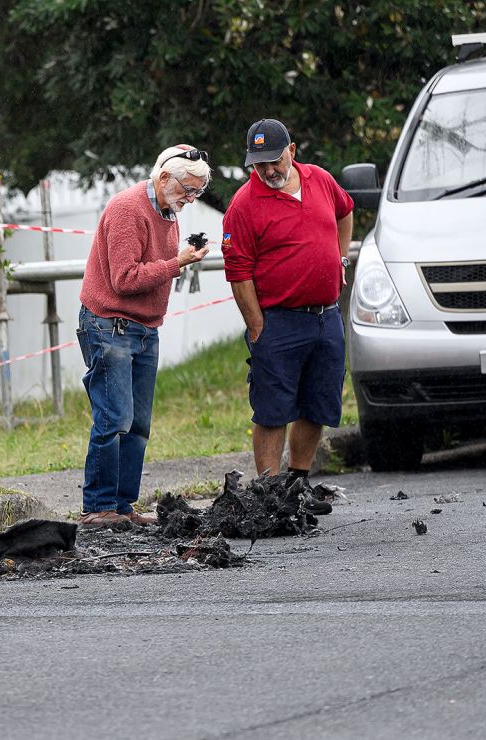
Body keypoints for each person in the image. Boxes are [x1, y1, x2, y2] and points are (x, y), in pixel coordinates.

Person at [221, 119, 354, 514]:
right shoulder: (243, 205)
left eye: (275, 161)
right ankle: (268, 493)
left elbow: (345, 212)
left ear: (292, 151)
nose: (268, 171)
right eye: (259, 164)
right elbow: (238, 272)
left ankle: (298, 482)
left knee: (318, 403)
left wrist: (341, 257)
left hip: (325, 316)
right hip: (277, 320)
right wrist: (256, 323)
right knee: (273, 408)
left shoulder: (320, 180)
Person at [77, 145, 211, 528]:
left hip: (145, 327)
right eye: (188, 188)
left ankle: (122, 506)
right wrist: (177, 263)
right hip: (110, 325)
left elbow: (152, 269)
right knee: (114, 418)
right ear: (164, 177)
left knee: (138, 424)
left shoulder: (168, 210)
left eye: (198, 191)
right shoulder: (127, 208)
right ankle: (97, 507)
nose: (191, 198)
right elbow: (124, 279)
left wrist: (178, 260)